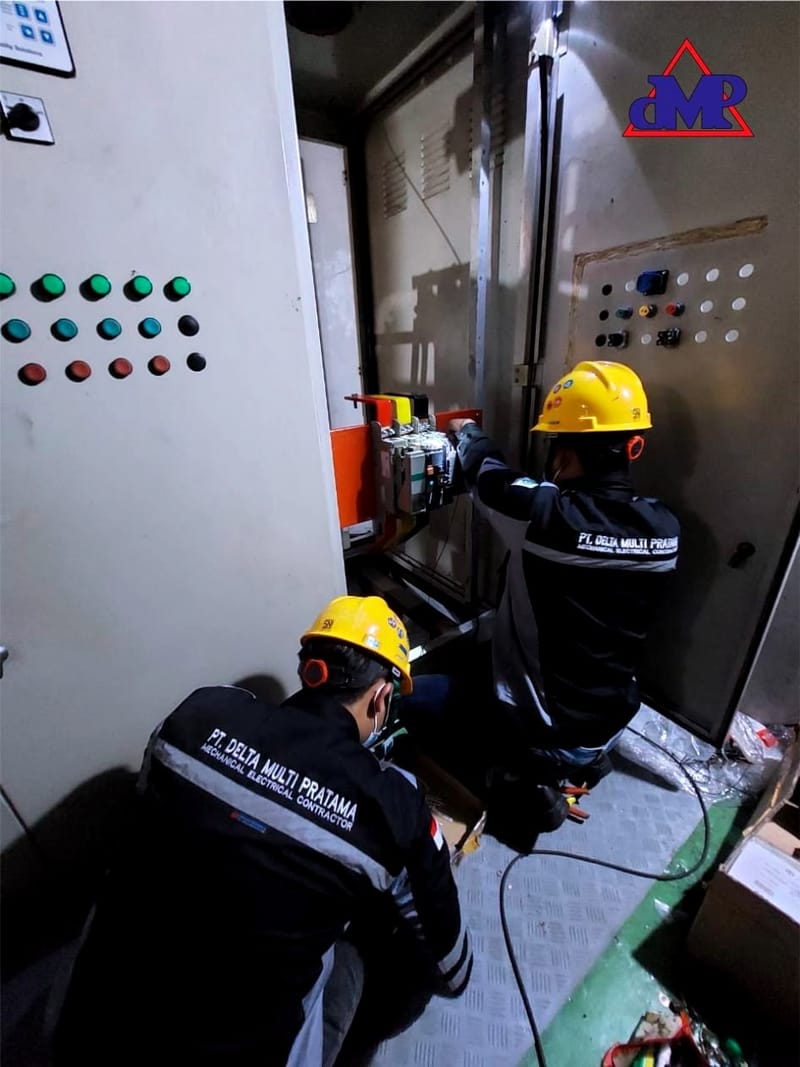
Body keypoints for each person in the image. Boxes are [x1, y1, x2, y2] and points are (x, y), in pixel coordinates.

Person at [53, 595, 472, 1067]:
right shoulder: (392, 805)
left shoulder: (198, 713)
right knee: (376, 945)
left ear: (312, 670)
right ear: (380, 698)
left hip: (83, 1035)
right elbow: (453, 971)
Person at [402, 361, 680, 842]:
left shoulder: (545, 517)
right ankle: (583, 757)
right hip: (612, 717)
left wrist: (466, 432)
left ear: (563, 457)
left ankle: (521, 781)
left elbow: (488, 472)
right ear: (634, 447)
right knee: (483, 660)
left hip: (548, 729)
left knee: (408, 698)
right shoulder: (665, 530)